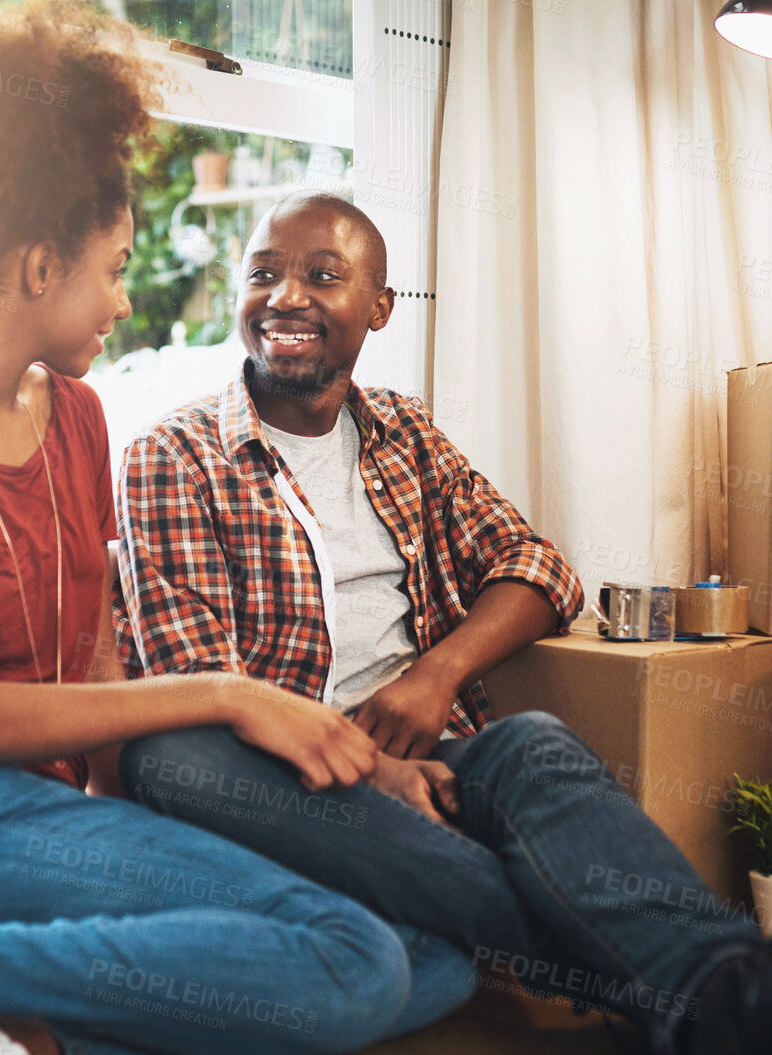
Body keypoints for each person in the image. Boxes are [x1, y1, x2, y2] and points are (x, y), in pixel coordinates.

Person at [0, 5, 477, 1054]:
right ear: (39, 263)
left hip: (51, 819)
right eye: (112, 268)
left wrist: (143, 822)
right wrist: (234, 697)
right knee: (355, 956)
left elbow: (98, 666)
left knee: (438, 950)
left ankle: (0, 1030)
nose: (120, 300)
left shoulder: (79, 417)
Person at [113, 189, 772, 1055]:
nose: (284, 297)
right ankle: (644, 983)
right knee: (170, 755)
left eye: (322, 275)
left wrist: (436, 675)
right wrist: (368, 768)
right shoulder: (173, 455)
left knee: (532, 742)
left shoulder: (405, 435)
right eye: (262, 274)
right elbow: (197, 679)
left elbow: (539, 567)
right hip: (263, 770)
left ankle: (738, 1004)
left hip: (427, 750)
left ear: (378, 307)